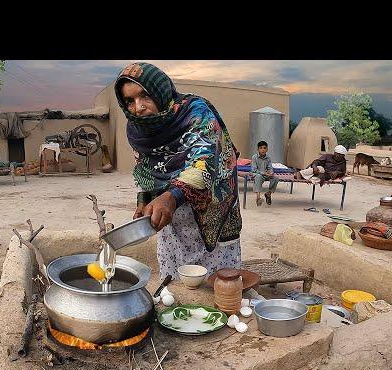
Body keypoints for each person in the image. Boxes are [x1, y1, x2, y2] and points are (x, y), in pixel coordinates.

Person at [114, 62, 242, 280]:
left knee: (217, 286)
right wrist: (145, 200)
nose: (138, 107)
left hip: (211, 206)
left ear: (161, 92)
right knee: (175, 287)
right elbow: (147, 170)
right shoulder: (137, 129)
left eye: (145, 96)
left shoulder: (195, 112)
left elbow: (205, 161)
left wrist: (171, 197)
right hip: (172, 218)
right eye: (129, 101)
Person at [251, 140, 279, 206]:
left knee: (276, 178)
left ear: (267, 149)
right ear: (258, 149)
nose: (263, 150)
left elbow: (270, 167)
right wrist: (264, 173)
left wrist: (271, 173)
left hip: (266, 174)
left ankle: (268, 193)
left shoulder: (268, 157)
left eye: (264, 148)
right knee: (258, 177)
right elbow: (254, 170)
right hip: (258, 174)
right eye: (261, 148)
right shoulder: (254, 157)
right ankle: (258, 197)